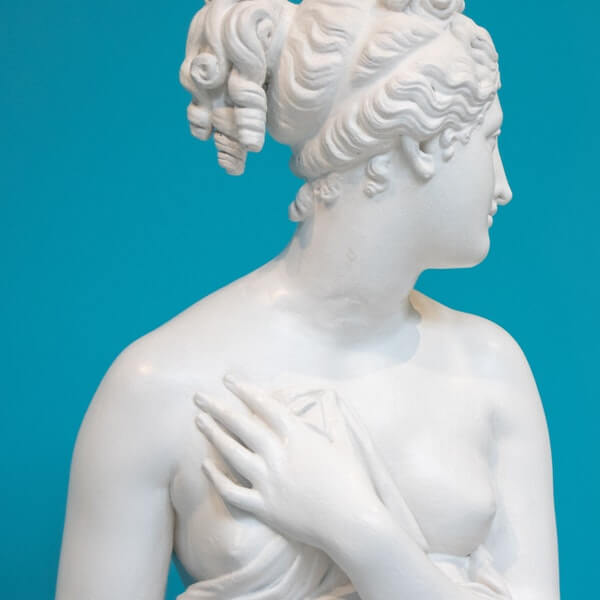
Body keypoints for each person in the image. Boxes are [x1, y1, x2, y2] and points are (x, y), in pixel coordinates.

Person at [56, 0, 560, 598]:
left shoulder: (491, 368)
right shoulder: (158, 387)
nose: (504, 186)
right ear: (423, 141)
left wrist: (354, 526)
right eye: (490, 139)